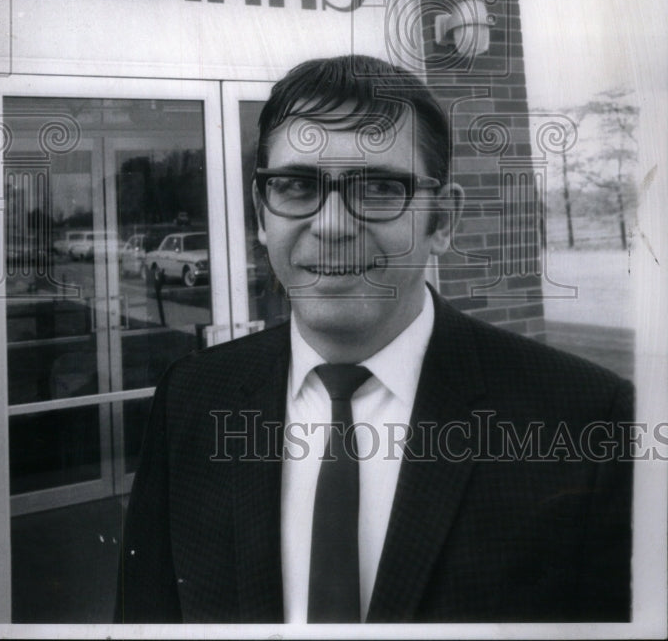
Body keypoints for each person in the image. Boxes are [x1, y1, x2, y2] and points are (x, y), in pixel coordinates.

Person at [115, 54, 633, 625]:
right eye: (295, 185)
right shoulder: (191, 398)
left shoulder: (588, 420)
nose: (333, 225)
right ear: (262, 215)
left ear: (442, 222)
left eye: (380, 187)